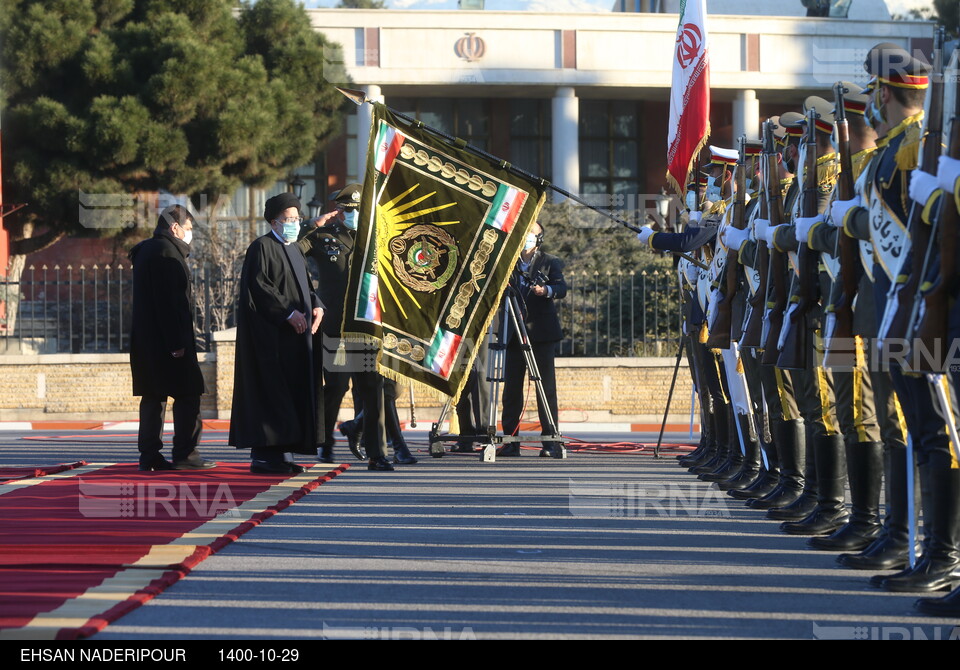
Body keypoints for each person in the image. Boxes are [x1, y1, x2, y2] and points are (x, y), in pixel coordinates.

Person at [297, 184, 415, 470]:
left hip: (366, 329)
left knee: (372, 389)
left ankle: (378, 454)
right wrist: (309, 225)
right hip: (336, 328)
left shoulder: (381, 241)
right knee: (336, 386)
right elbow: (292, 252)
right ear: (340, 212)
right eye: (350, 211)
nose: (355, 216)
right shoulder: (324, 238)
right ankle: (324, 445)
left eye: (360, 211)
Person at [229, 192, 324, 474]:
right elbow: (260, 289)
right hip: (272, 341)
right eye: (289, 219)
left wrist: (317, 306)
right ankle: (265, 457)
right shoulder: (261, 247)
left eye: (297, 218)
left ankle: (283, 453)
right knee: (271, 393)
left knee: (292, 393)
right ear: (274, 221)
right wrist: (287, 312)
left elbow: (307, 287)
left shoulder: (294, 249)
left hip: (296, 340)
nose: (295, 223)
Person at [129, 204, 214, 471]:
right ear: (175, 228)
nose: (190, 234)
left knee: (154, 397)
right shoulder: (168, 253)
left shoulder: (145, 250)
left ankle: (150, 456)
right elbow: (171, 304)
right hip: (169, 343)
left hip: (147, 342)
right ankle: (185, 454)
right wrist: (177, 344)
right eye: (188, 229)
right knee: (189, 393)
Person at [499, 222, 566, 458]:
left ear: (539, 238)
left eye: (531, 234)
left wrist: (545, 290)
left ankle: (551, 441)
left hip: (541, 333)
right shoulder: (508, 260)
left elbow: (561, 287)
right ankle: (510, 441)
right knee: (511, 390)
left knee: (545, 388)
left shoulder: (550, 261)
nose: (526, 237)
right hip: (513, 333)